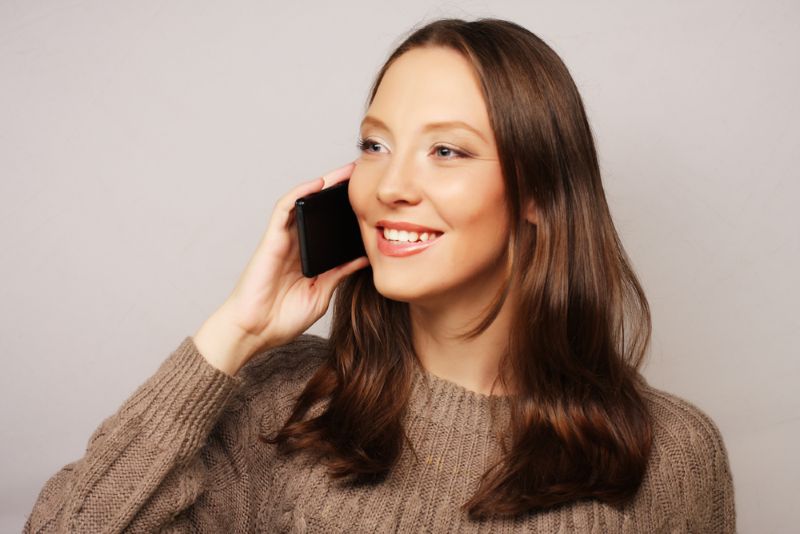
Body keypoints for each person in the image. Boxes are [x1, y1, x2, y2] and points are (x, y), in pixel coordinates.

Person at [23, 17, 736, 533]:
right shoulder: (281, 403)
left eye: (447, 152)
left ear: (540, 197)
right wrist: (231, 337)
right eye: (375, 144)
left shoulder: (670, 454)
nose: (390, 185)